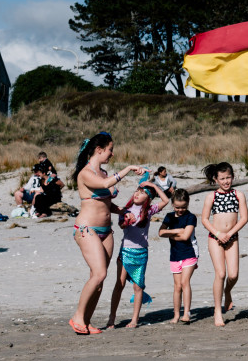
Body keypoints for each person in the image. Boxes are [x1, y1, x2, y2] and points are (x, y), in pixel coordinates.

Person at [67, 133, 134, 334]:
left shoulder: (104, 173)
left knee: (98, 278)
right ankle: (77, 317)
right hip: (87, 229)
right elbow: (105, 186)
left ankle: (86, 322)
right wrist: (128, 169)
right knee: (100, 273)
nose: (112, 154)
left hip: (106, 231)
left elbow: (105, 203)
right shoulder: (86, 173)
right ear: (99, 150)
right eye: (110, 150)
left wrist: (122, 211)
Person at [106, 181, 167, 328]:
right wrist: (126, 221)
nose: (137, 194)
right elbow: (121, 225)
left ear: (148, 198)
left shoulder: (149, 210)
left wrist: (154, 186)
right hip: (126, 251)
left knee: (138, 287)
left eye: (142, 193)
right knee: (119, 284)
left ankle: (134, 319)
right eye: (137, 191)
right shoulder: (125, 210)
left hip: (141, 253)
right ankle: (112, 318)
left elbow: (166, 201)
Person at [198, 162, 248, 326]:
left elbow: (244, 218)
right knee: (220, 273)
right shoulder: (211, 197)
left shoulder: (238, 195)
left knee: (233, 275)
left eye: (228, 177)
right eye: (222, 178)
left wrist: (230, 234)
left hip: (232, 237)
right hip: (215, 238)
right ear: (216, 179)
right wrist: (218, 234)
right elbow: (204, 219)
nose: (226, 181)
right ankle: (217, 311)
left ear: (233, 177)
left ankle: (227, 291)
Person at [160, 189, 199, 323]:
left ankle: (186, 313)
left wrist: (170, 234)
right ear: (172, 204)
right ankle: (176, 314)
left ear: (187, 204)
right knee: (177, 286)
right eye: (177, 207)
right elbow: (160, 232)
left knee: (184, 282)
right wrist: (177, 231)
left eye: (183, 207)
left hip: (189, 253)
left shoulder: (191, 217)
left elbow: (185, 236)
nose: (180, 210)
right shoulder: (169, 216)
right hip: (175, 255)